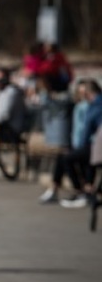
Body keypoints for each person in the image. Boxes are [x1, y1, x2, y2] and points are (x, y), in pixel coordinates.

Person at [39, 79, 102, 208]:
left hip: (91, 144)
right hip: (87, 143)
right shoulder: (86, 105)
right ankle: (63, 189)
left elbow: (86, 128)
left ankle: (82, 192)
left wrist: (79, 145)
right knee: (68, 159)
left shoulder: (93, 105)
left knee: (70, 159)